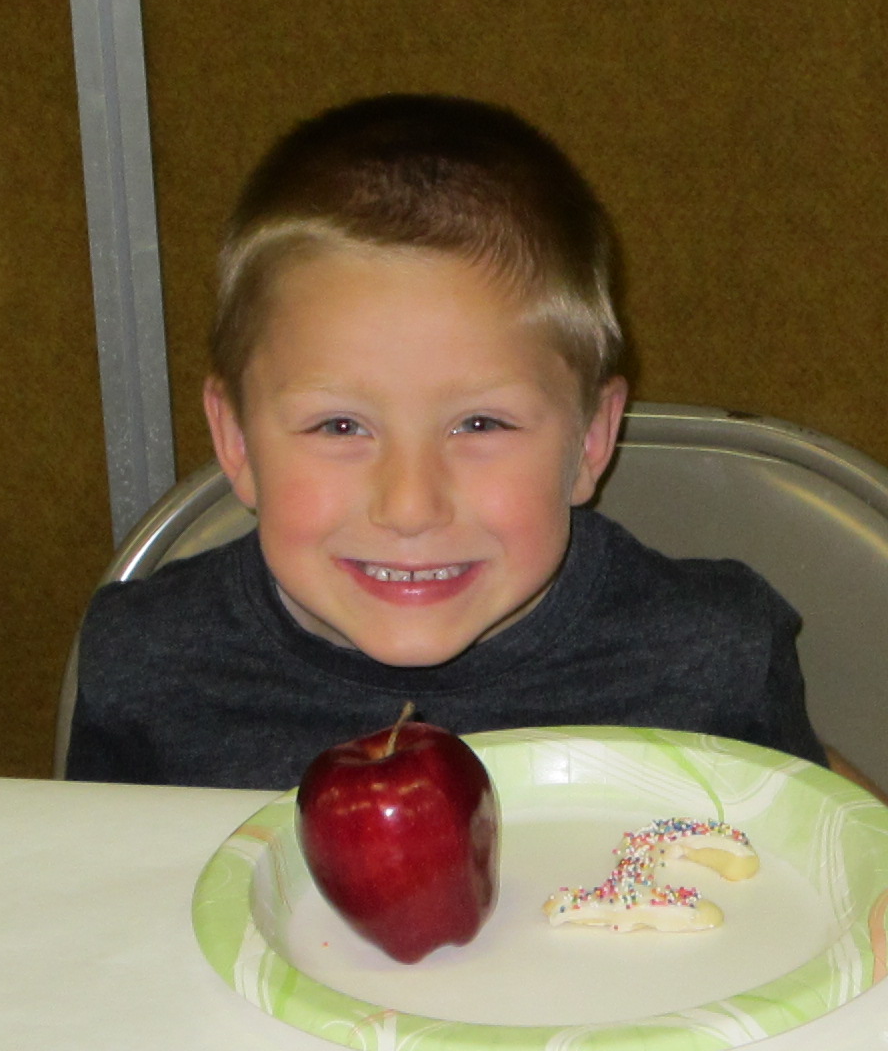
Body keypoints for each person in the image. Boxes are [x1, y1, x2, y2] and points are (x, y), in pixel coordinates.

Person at [65, 93, 833, 791]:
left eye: (479, 424)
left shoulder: (710, 659)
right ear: (235, 442)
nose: (409, 506)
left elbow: (840, 882)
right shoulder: (147, 662)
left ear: (592, 439)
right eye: (340, 426)